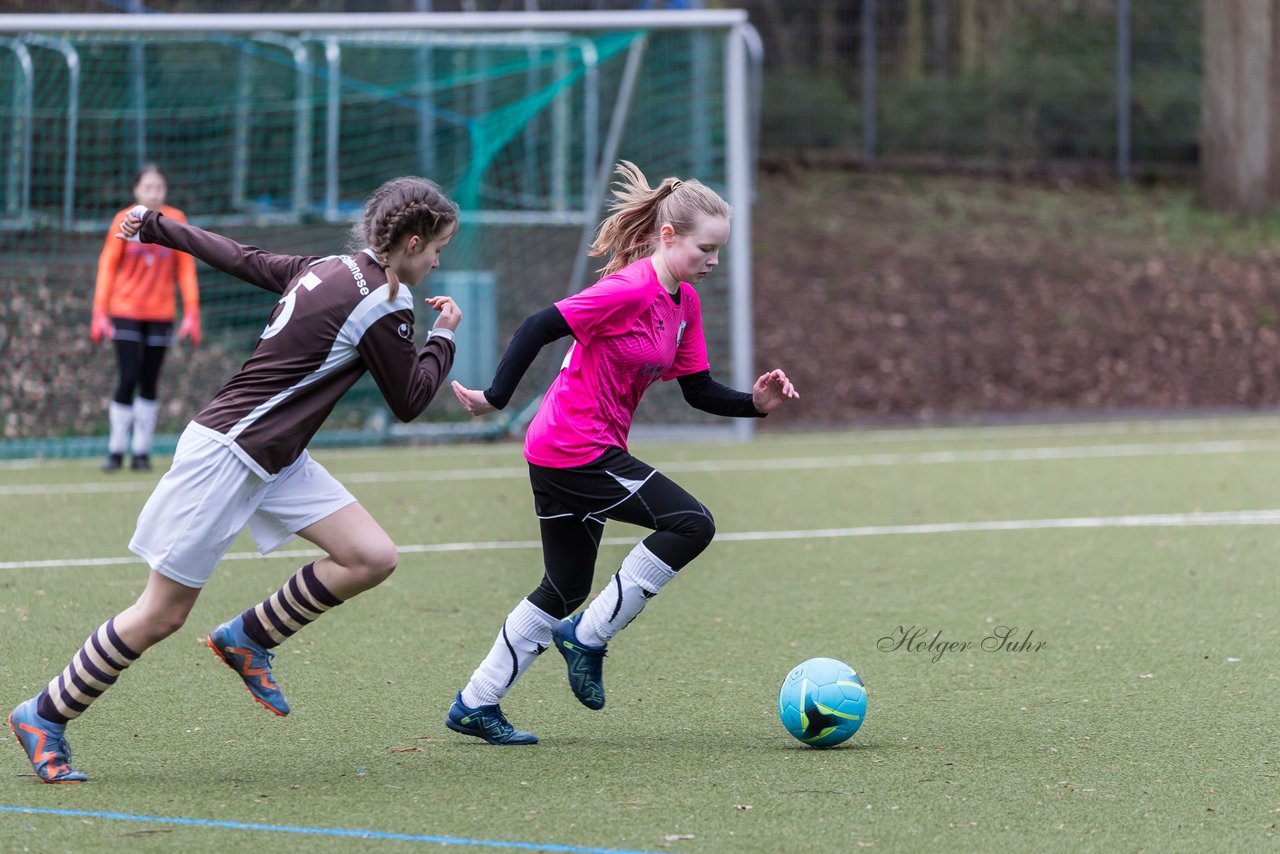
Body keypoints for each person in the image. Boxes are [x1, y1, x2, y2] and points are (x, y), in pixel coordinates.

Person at [9, 176, 462, 783]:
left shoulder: (326, 266)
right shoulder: (384, 303)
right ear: (410, 240)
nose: (437, 261)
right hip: (230, 455)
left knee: (371, 556)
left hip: (276, 455)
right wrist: (444, 338)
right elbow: (410, 399)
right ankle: (44, 713)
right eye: (437, 248)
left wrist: (158, 225)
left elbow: (242, 258)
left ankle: (247, 636)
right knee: (161, 614)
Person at [446, 161, 798, 745]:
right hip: (574, 447)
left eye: (719, 251)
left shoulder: (683, 303)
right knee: (691, 523)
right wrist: (496, 398)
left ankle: (476, 702)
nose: (713, 262)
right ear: (668, 236)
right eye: (705, 249)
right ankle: (588, 635)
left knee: (562, 585)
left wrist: (756, 405)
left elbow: (698, 390)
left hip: (569, 447)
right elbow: (538, 324)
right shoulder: (628, 288)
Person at [92, 164, 201, 473]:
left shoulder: (176, 220)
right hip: (125, 310)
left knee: (150, 380)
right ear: (137, 190)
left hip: (161, 313)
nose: (154, 193)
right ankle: (115, 450)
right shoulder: (123, 219)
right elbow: (107, 265)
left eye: (159, 188)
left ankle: (141, 451)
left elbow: (185, 269)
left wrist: (191, 311)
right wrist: (100, 309)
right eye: (148, 187)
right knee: (128, 376)